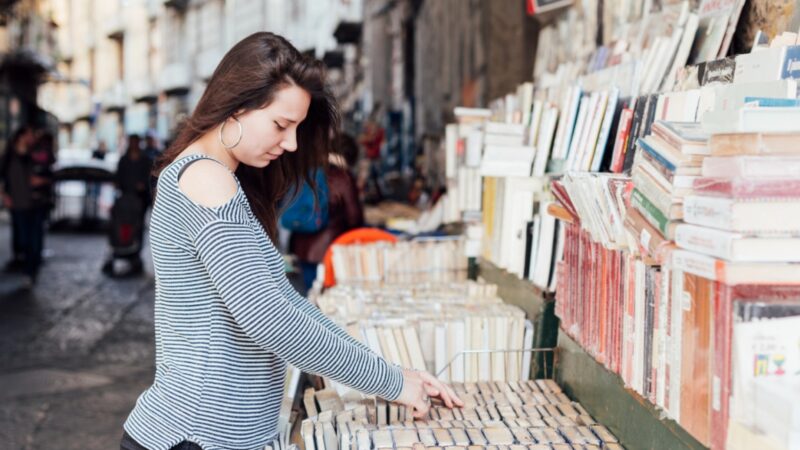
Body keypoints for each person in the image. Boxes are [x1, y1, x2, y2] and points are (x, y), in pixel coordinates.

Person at [121, 32, 461, 450]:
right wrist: (389, 382)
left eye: (297, 127)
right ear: (237, 105)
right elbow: (269, 319)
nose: (291, 143)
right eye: (281, 125)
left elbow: (285, 302)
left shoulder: (221, 177)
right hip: (193, 435)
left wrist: (393, 373)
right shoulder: (205, 179)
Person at [289, 133, 364, 290]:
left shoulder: (309, 168)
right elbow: (354, 217)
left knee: (311, 294)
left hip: (301, 246)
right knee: (326, 299)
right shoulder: (343, 177)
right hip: (328, 250)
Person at [0, 126, 36, 274]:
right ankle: (19, 257)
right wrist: (5, 196)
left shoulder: (30, 154)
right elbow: (2, 178)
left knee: (26, 231)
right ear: (21, 136)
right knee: (19, 230)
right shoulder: (9, 156)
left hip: (30, 199)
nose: (31, 137)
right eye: (29, 134)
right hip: (15, 197)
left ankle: (25, 258)